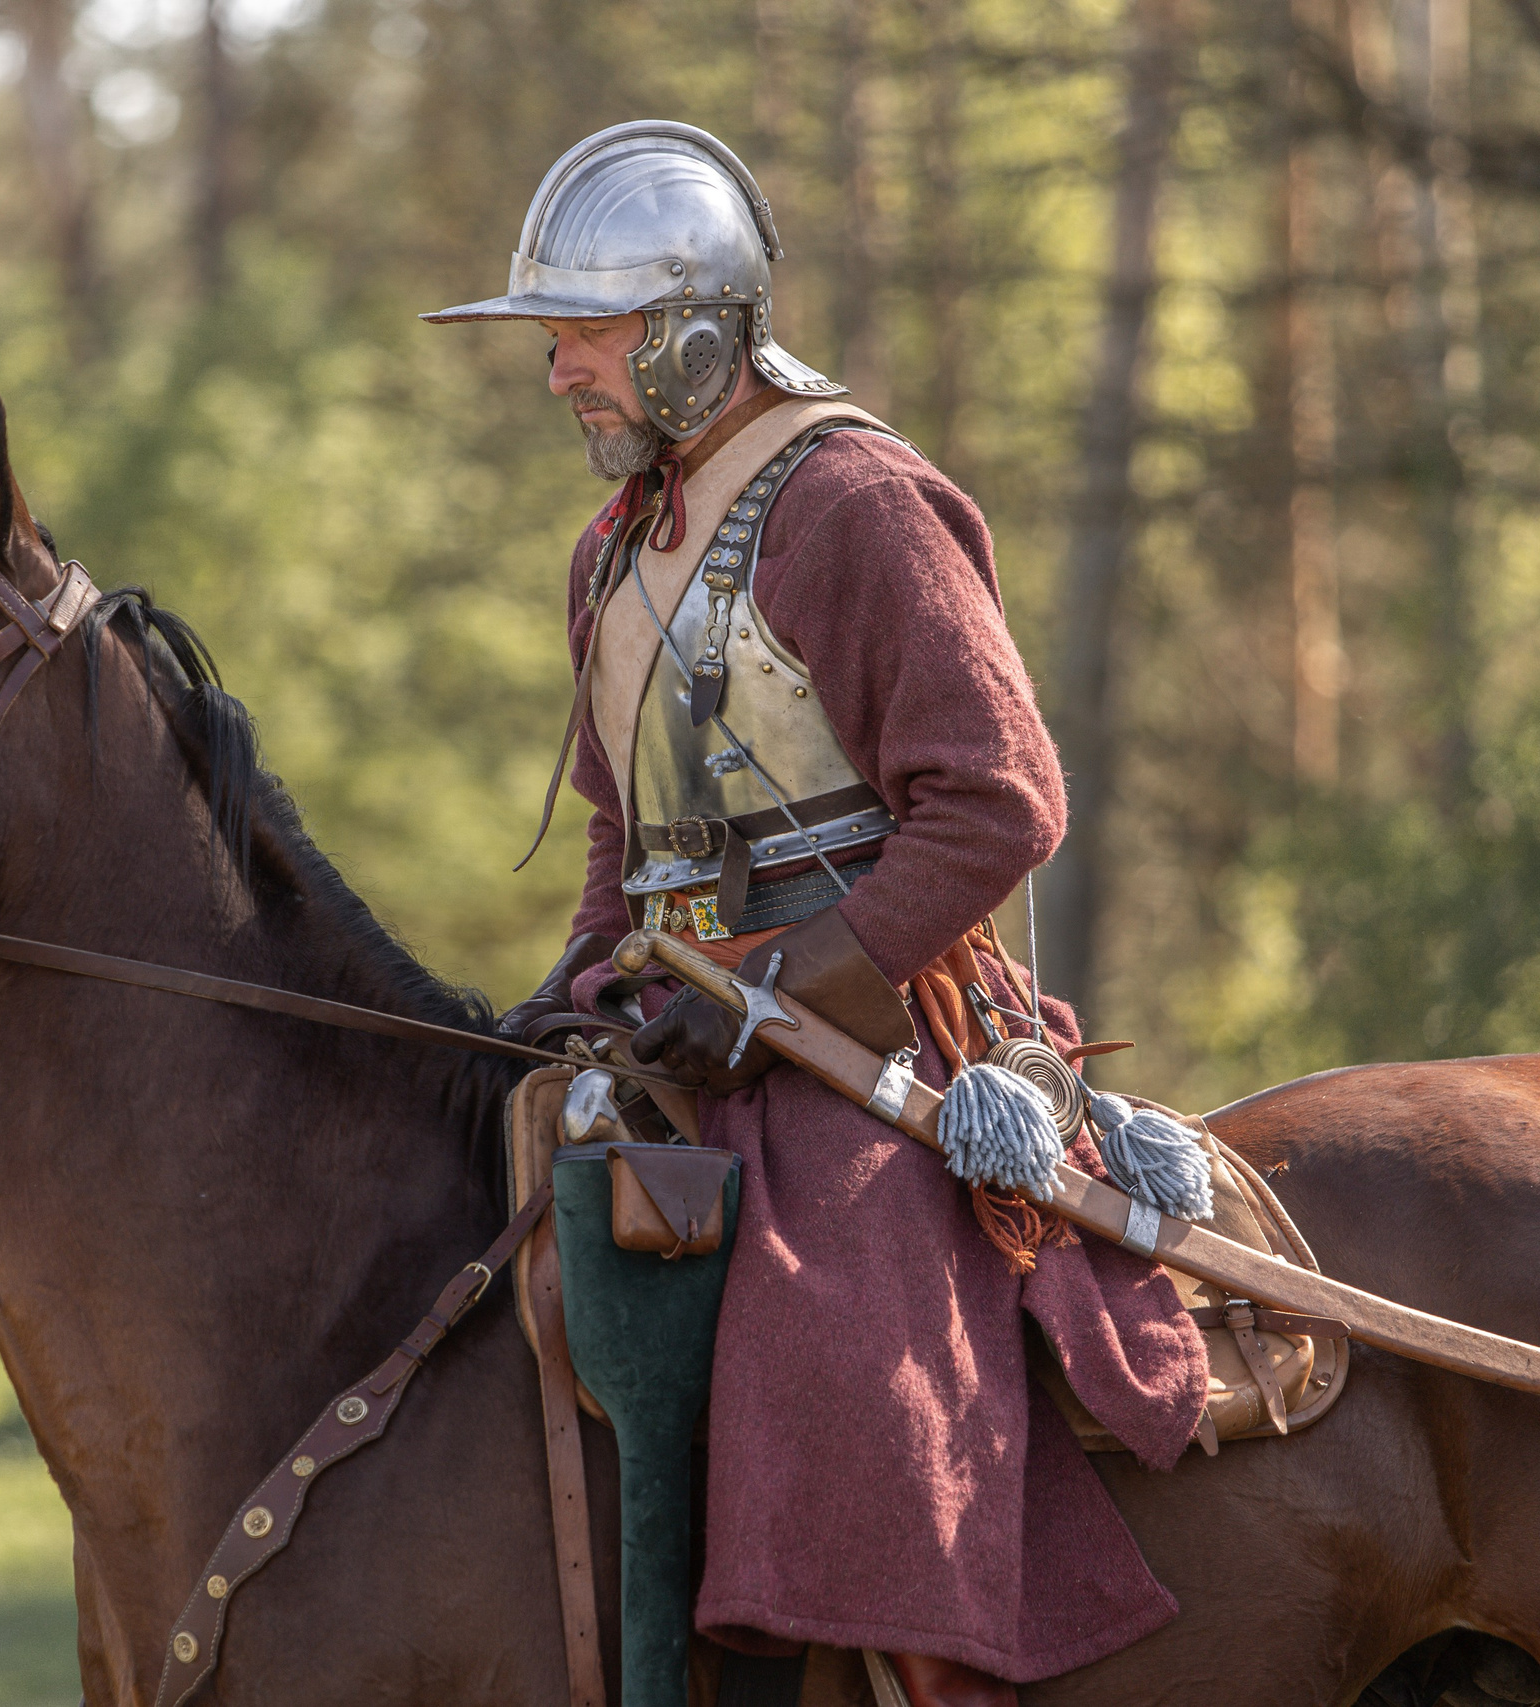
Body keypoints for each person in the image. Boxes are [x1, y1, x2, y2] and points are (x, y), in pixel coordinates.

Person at [425, 122, 1210, 1707]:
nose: (556, 371)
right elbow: (620, 835)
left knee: (843, 1348)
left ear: (688, 327)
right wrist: (576, 994)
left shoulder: (851, 504)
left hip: (881, 1033)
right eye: (552, 338)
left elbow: (1002, 799)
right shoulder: (612, 549)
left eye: (579, 334)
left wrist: (789, 987)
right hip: (683, 1024)